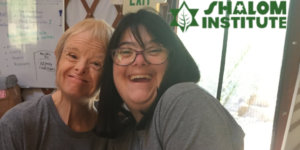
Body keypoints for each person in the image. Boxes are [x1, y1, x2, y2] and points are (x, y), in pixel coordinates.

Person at [96, 9, 244, 150]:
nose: (139, 60)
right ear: (111, 67)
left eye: (154, 50)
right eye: (126, 51)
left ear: (173, 61)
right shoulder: (125, 136)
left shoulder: (185, 100)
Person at [0, 18, 113, 150]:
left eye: (96, 63)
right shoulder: (17, 124)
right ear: (58, 58)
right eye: (73, 56)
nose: (81, 68)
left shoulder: (115, 131)